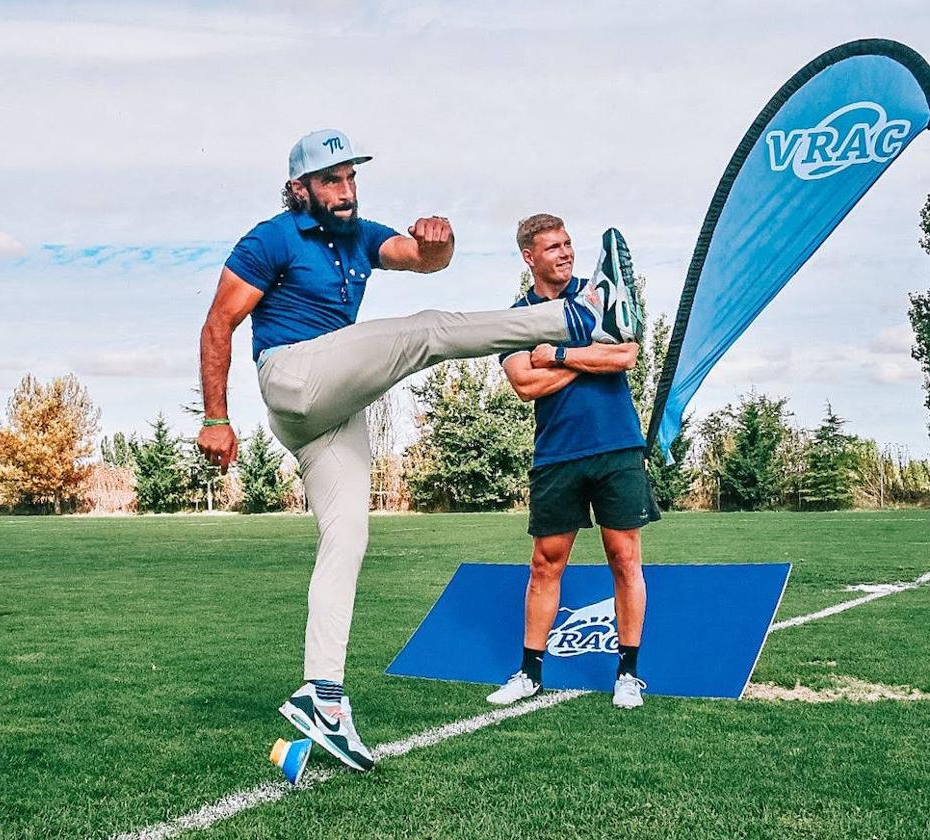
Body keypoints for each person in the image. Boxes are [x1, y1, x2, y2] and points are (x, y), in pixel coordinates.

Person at [197, 130, 641, 770]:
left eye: (350, 177)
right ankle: (584, 314)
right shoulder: (271, 239)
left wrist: (441, 244)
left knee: (347, 538)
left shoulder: (358, 233)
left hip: (333, 411)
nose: (345, 191)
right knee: (428, 330)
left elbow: (419, 257)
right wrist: (216, 416)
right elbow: (219, 323)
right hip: (294, 378)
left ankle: (323, 697)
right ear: (299, 189)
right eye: (330, 181)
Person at [485, 215, 659, 710]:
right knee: (546, 563)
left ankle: (627, 674)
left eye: (567, 244)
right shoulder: (517, 318)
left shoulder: (598, 295)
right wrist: (588, 356)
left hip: (617, 446)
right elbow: (525, 385)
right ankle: (529, 674)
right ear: (529, 257)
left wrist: (557, 354)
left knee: (624, 558)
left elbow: (625, 356)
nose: (565, 254)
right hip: (557, 453)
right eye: (553, 247)